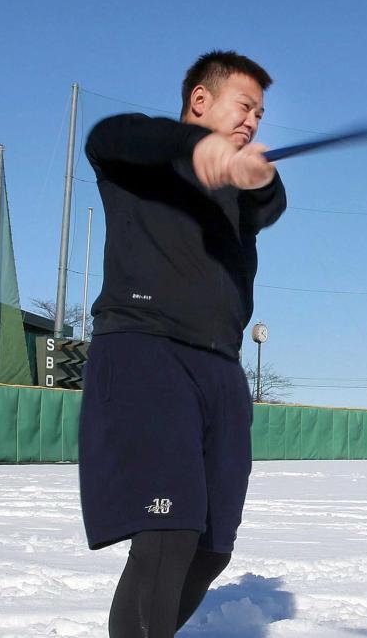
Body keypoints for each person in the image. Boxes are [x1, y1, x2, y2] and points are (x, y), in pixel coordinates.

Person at [78, 50, 287, 637]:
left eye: (261, 115)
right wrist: (197, 149)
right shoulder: (141, 158)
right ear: (201, 99)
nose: (253, 121)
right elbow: (110, 134)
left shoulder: (236, 187)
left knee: (214, 544)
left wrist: (261, 177)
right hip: (147, 350)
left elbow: (271, 204)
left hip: (221, 367)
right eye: (244, 106)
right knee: (167, 534)